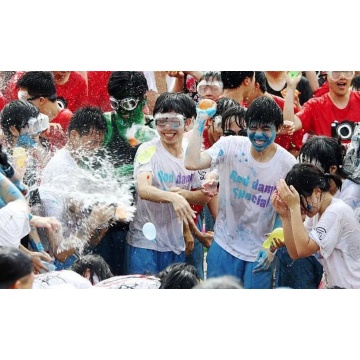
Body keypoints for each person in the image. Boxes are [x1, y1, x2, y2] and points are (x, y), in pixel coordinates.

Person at [184, 96, 297, 288]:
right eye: (253, 128)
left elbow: (287, 213)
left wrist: (271, 245)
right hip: (224, 244)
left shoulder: (287, 165)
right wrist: (201, 121)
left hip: (259, 252)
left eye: (265, 129)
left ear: (278, 129)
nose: (258, 135)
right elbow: (191, 162)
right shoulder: (231, 146)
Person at [38, 106, 135, 271]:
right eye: (92, 142)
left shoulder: (79, 164)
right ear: (74, 135)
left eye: (99, 143)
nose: (96, 148)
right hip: (59, 265)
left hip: (77, 255)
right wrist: (92, 222)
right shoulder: (60, 170)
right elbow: (59, 252)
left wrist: (104, 220)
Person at [126, 92, 211, 275]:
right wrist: (173, 197)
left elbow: (205, 195)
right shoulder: (147, 150)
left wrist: (183, 197)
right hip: (144, 241)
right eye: (161, 121)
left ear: (188, 123)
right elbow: (144, 189)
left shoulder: (194, 153)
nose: (167, 128)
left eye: (174, 122)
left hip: (175, 243)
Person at [97, 71, 158, 275]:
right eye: (116, 103)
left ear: (142, 100)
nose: (122, 111)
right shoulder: (104, 124)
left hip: (143, 220)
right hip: (110, 222)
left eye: (129, 103)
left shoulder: (154, 130)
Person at [272, 163, 360, 289]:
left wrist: (294, 207)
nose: (301, 209)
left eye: (300, 201)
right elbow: (295, 253)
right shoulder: (317, 213)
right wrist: (285, 216)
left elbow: (304, 249)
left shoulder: (336, 211)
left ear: (317, 192)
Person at [284, 71, 360, 144]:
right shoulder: (314, 106)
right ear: (327, 75)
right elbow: (289, 125)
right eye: (336, 71)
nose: (342, 76)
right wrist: (291, 88)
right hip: (326, 156)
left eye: (347, 71)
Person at [16, 71, 73, 151]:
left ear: (41, 100)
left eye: (26, 102)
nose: (24, 107)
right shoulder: (30, 120)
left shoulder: (67, 119)